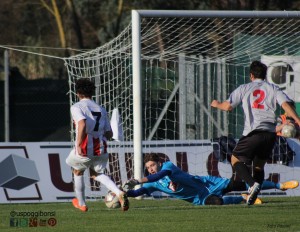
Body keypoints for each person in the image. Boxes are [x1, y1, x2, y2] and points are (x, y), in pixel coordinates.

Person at [210, 60, 300, 205]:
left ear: (251, 75)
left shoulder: (244, 88)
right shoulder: (273, 88)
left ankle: (252, 185)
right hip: (270, 135)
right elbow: (286, 104)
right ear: (265, 76)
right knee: (259, 166)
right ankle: (253, 194)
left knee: (235, 159)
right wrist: (297, 120)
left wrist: (216, 104)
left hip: (253, 133)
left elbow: (227, 107)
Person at [123, 153, 298, 206]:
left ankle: (280, 185)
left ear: (159, 163)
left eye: (153, 165)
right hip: (199, 198)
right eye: (149, 167)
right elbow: (142, 191)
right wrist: (124, 194)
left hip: (206, 183)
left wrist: (139, 179)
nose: (151, 168)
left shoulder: (167, 166)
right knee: (217, 202)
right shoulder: (152, 183)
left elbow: (159, 175)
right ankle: (243, 197)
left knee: (240, 183)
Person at [66, 78, 129, 212]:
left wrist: (78, 143)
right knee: (96, 173)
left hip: (84, 146)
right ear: (92, 93)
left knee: (77, 171)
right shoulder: (101, 108)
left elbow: (82, 124)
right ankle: (118, 192)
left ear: (77, 93)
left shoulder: (76, 107)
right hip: (101, 147)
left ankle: (82, 204)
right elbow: (109, 133)